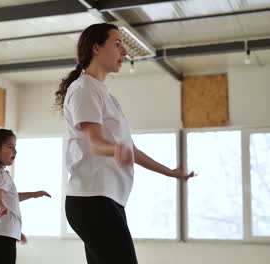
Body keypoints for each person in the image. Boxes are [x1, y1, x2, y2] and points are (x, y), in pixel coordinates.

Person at [54, 23, 196, 264]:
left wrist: (170, 172)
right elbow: (97, 142)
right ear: (96, 48)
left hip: (108, 201)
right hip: (92, 200)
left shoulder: (105, 94)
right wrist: (115, 149)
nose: (125, 52)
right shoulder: (84, 89)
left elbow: (131, 151)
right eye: (117, 44)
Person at [0, 128, 50, 264]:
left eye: (15, 147)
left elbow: (8, 197)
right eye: (10, 147)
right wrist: (0, 207)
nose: (15, 151)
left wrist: (33, 194)